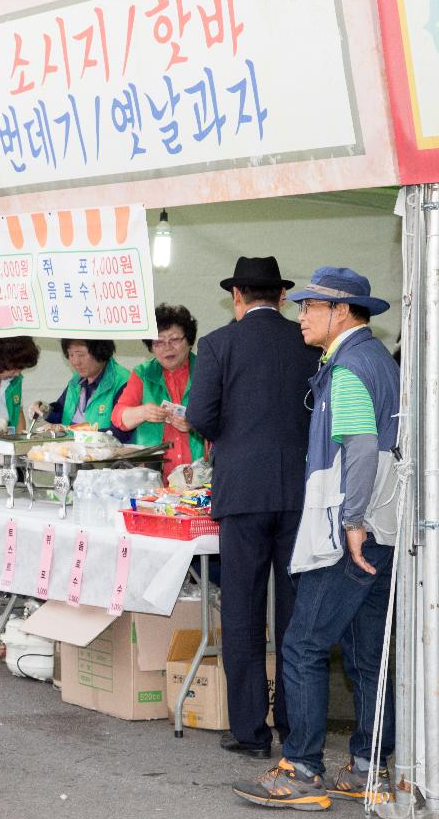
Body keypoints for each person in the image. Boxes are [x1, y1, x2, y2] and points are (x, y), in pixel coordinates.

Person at [233, 267, 400, 811]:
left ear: (343, 312)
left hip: (351, 529)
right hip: (382, 526)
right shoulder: (375, 360)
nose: (300, 313)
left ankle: (303, 770)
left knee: (303, 646)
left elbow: (360, 447)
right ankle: (369, 767)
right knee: (365, 653)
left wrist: (351, 523)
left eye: (310, 306)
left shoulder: (349, 366)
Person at [188, 257, 317, 760]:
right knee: (294, 614)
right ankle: (293, 723)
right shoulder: (307, 342)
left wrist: (233, 439)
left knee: (241, 612)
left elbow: (200, 416)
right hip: (300, 492)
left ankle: (250, 732)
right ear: (282, 296)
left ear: (237, 296)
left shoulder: (218, 344)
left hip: (242, 492)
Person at [111, 304, 203, 480]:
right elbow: (119, 418)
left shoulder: (206, 370)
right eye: (158, 342)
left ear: (189, 341)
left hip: (200, 474)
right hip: (152, 476)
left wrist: (196, 424)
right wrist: (143, 412)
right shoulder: (142, 373)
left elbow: (225, 419)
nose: (167, 347)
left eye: (174, 339)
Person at [39, 339, 131, 439]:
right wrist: (45, 410)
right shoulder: (77, 380)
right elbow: (63, 412)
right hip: (75, 449)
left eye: (81, 355)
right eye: (71, 355)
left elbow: (121, 432)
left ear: (99, 352)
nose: (75, 362)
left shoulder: (123, 382)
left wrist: (70, 430)